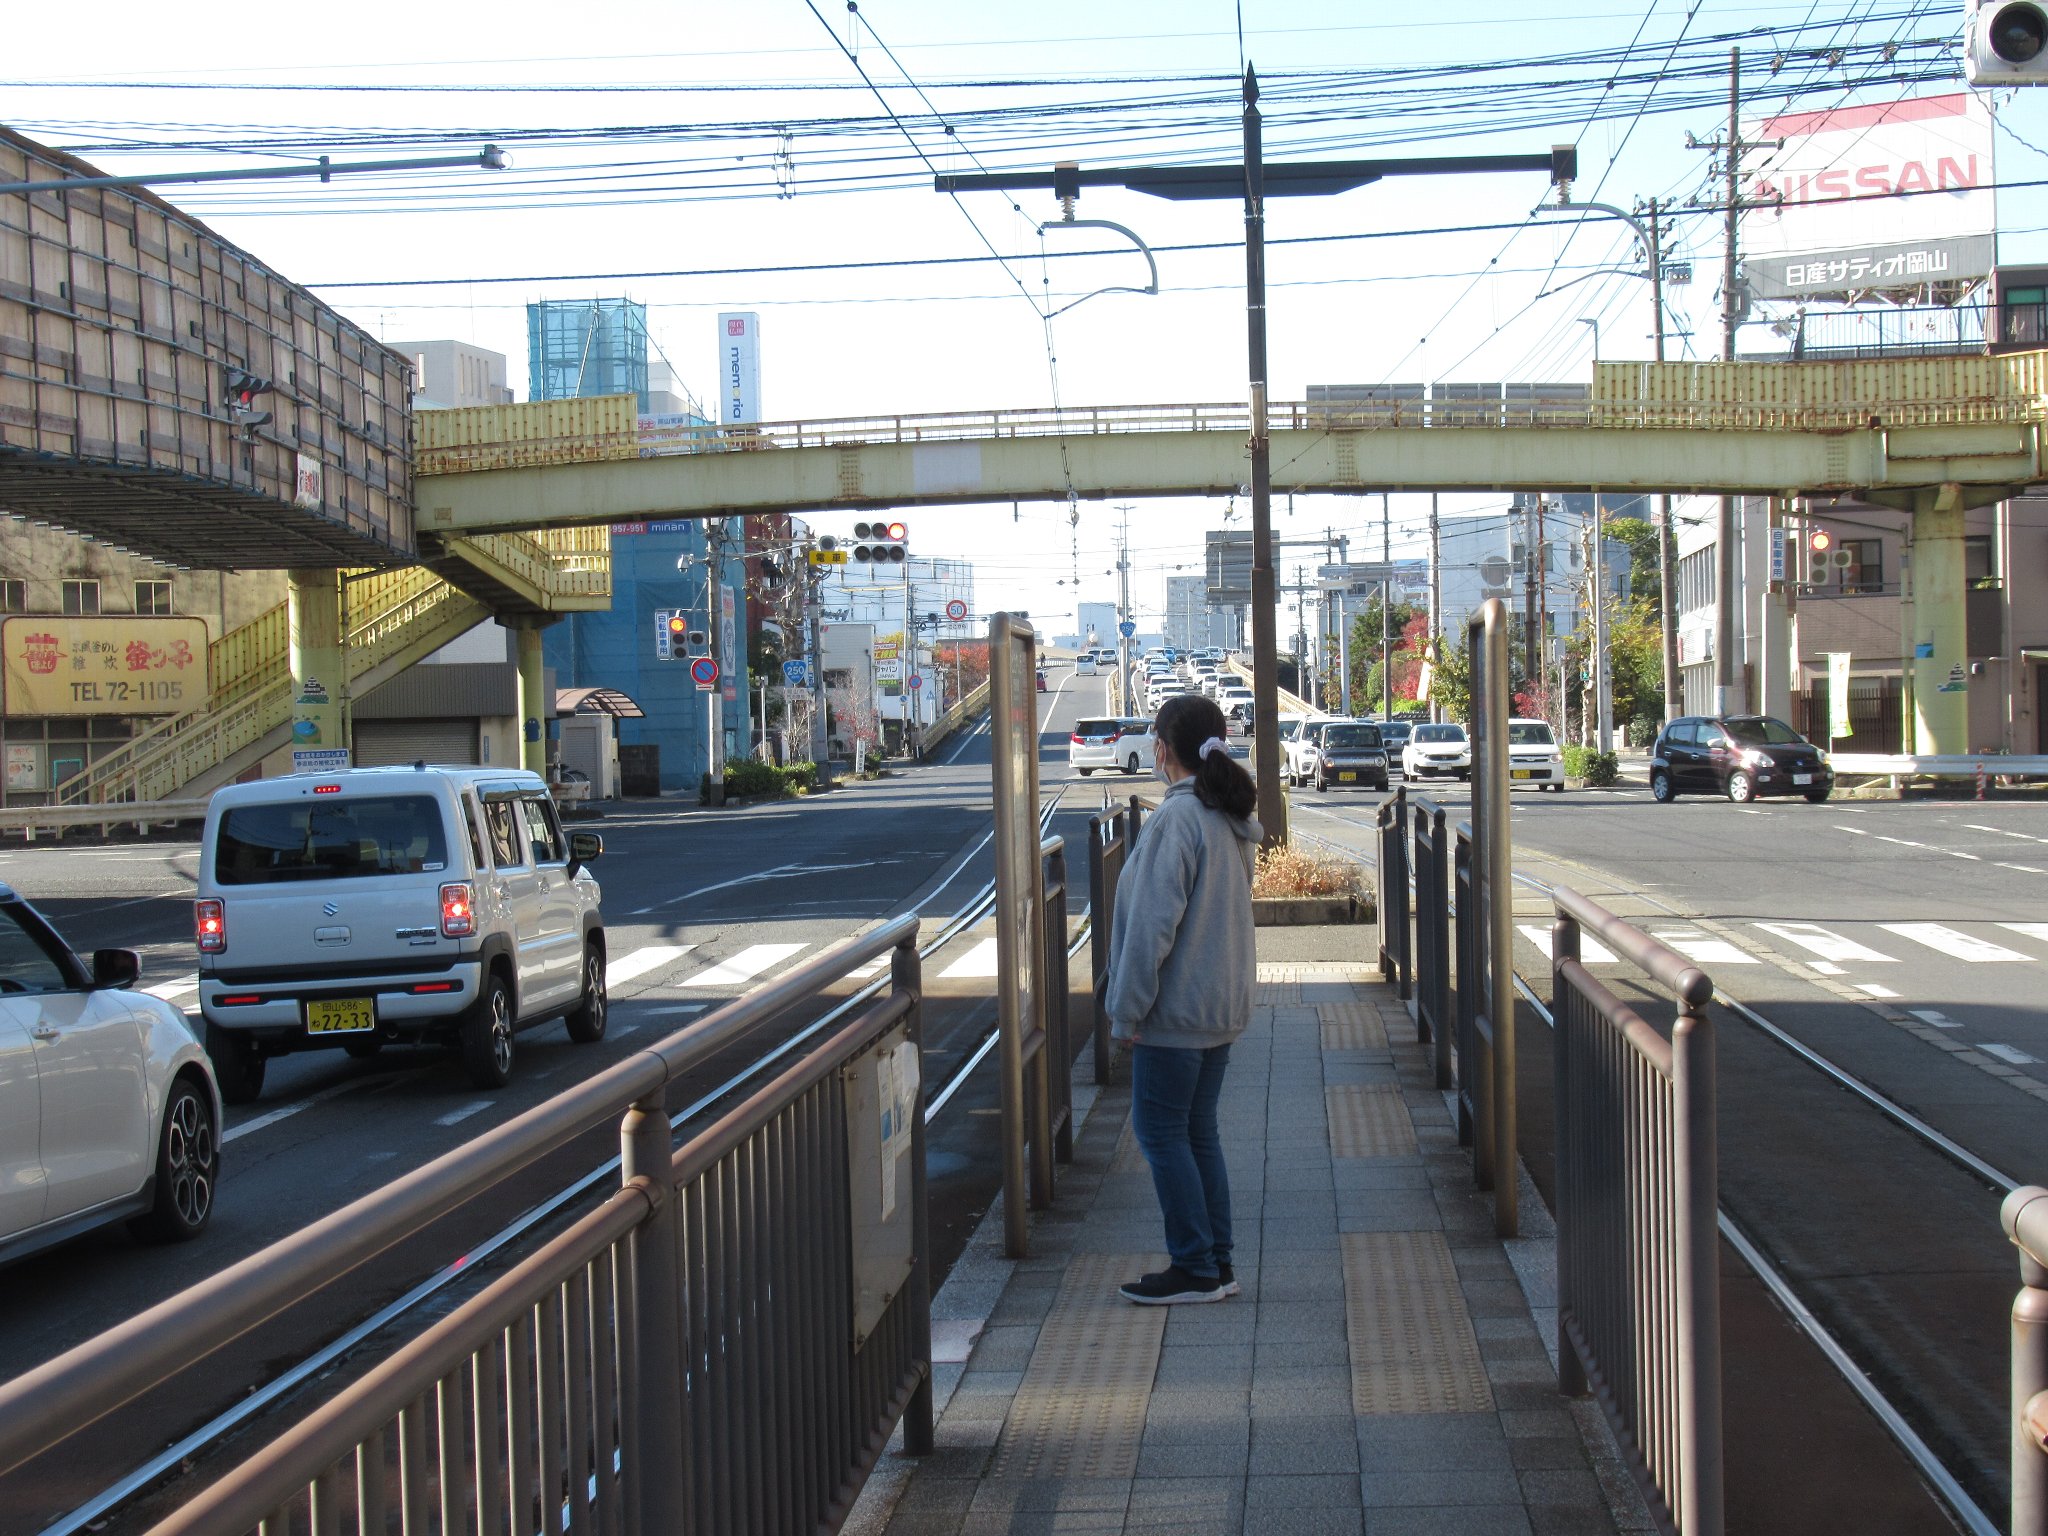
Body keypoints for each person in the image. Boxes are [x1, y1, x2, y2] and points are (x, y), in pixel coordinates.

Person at [1105, 692, 1262, 1304]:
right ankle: (1216, 1263)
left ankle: (1194, 1265)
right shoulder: (1225, 814)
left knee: (1161, 1134)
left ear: (1163, 749)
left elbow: (1150, 929)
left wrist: (1125, 1011)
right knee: (1199, 1134)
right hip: (1219, 1007)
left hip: (1175, 1014)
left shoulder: (1176, 821)